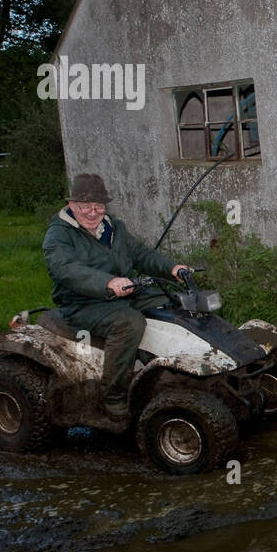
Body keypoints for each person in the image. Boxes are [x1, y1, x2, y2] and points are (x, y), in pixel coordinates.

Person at [43, 174, 190, 421]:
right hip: (82, 303)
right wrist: (108, 282)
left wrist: (172, 268)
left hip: (126, 292)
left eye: (99, 206)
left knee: (172, 306)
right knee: (129, 323)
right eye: (85, 206)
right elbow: (66, 269)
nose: (92, 212)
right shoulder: (58, 235)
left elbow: (141, 255)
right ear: (71, 205)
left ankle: (165, 371)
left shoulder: (114, 227)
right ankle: (113, 397)